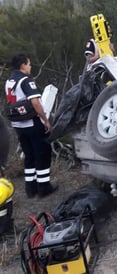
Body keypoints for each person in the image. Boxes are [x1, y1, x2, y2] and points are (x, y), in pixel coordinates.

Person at [4, 54, 58, 198]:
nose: (30, 66)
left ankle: (30, 188)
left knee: (29, 155)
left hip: (18, 125)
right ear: (22, 65)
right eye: (28, 64)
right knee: (42, 153)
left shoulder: (9, 81)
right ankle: (43, 187)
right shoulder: (26, 80)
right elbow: (35, 103)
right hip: (31, 123)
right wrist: (46, 120)